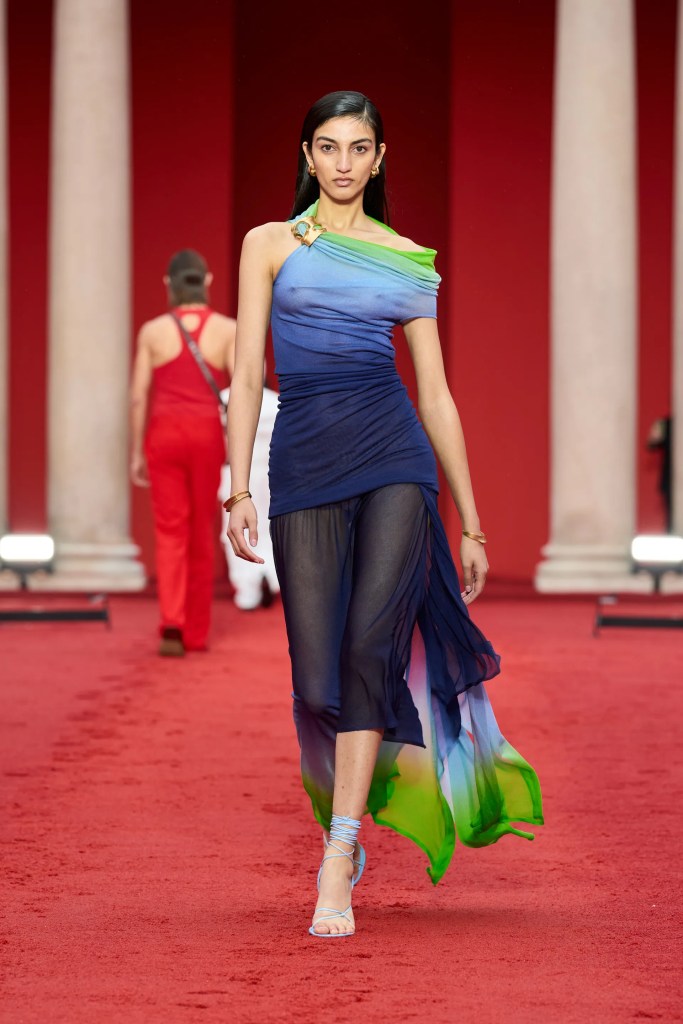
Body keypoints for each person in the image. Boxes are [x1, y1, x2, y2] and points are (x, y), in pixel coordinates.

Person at [226, 91, 543, 938]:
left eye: (357, 147)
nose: (341, 162)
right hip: (303, 464)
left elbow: (434, 395)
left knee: (369, 649)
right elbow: (249, 374)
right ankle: (358, 802)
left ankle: (339, 849)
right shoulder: (269, 244)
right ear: (306, 155)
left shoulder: (407, 259)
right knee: (315, 680)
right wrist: (238, 487)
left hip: (394, 459)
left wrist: (470, 520)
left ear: (378, 158)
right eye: (327, 146)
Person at [130, 250, 235, 656]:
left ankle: (172, 623)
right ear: (206, 281)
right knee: (201, 530)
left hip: (164, 435)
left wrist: (137, 451)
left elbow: (138, 396)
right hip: (206, 436)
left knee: (170, 530)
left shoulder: (153, 331)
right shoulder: (227, 329)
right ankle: (196, 633)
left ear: (167, 283)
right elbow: (244, 391)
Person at [219, 382, 280, 609]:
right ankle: (271, 575)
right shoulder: (276, 401)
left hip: (236, 474)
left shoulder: (225, 398)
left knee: (237, 529)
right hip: (270, 472)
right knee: (269, 527)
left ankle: (247, 589)